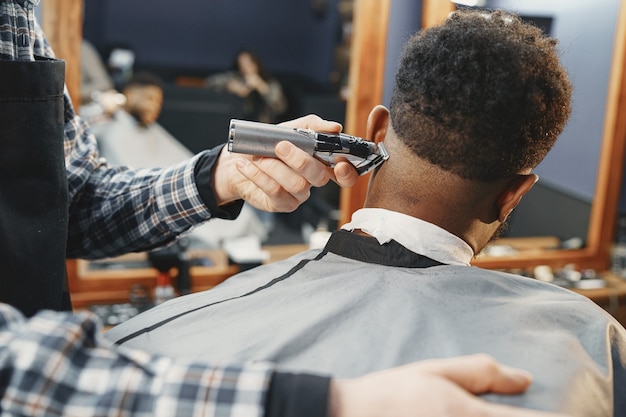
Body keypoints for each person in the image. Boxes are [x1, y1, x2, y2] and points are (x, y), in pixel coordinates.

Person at [0, 2, 565, 416]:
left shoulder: (145, 341)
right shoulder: (587, 341)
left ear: (376, 131)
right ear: (516, 192)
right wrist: (326, 404)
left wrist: (219, 175)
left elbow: (63, 204)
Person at [92, 71, 270, 248]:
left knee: (241, 215)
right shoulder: (114, 134)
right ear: (129, 95)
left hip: (175, 185)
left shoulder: (151, 131)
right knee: (205, 229)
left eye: (159, 102)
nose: (155, 107)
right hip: (157, 201)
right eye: (149, 99)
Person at [206, 49, 288, 123]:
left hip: (263, 125)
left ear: (256, 64)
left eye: (249, 64)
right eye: (241, 65)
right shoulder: (236, 78)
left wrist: (262, 88)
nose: (245, 68)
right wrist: (229, 86)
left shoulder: (269, 82)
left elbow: (280, 108)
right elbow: (210, 82)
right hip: (237, 122)